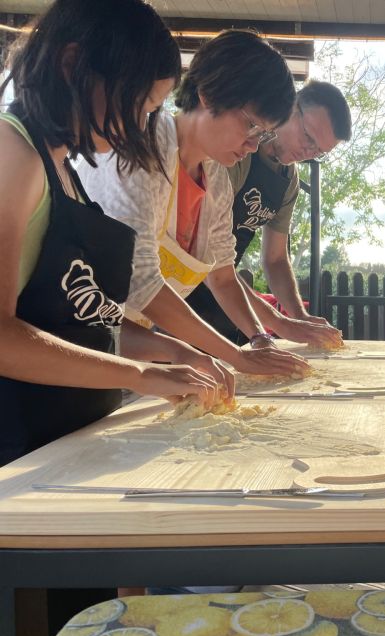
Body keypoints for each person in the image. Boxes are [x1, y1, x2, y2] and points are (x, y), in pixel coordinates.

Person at [0, 0, 225, 467]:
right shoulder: (13, 153)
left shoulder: (66, 171)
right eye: (142, 106)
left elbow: (82, 328)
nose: (141, 126)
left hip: (63, 449)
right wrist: (142, 374)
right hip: (17, 456)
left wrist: (175, 351)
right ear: (72, 64)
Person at [80, 30, 310, 378]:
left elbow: (222, 275)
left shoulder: (216, 178)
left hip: (126, 346)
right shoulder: (143, 147)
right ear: (208, 94)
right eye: (250, 125)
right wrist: (237, 356)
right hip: (70, 340)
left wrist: (260, 339)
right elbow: (139, 281)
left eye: (262, 133)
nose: (252, 145)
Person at [185, 80, 351, 349]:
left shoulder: (288, 182)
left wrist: (301, 319)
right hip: (187, 293)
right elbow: (210, 259)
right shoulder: (233, 154)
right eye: (308, 138)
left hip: (229, 298)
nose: (308, 152)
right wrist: (279, 324)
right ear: (290, 107)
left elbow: (275, 260)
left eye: (319, 152)